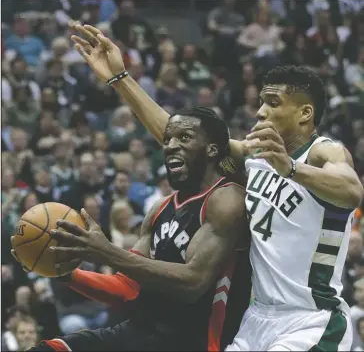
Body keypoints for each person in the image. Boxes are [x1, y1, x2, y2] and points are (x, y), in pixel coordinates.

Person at [67, 24, 364, 351]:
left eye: (274, 103)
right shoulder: (256, 157)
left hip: (310, 319)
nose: (261, 110)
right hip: (257, 319)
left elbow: (352, 190)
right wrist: (121, 79)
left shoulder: (322, 152)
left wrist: (291, 168)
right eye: (262, 101)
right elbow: (183, 139)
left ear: (305, 113)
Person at [17, 107, 250, 351]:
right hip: (138, 333)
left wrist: (107, 253)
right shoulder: (159, 209)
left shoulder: (226, 199)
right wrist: (63, 272)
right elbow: (126, 287)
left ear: (212, 148)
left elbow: (193, 282)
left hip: (189, 343)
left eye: (184, 137)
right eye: (168, 138)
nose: (170, 145)